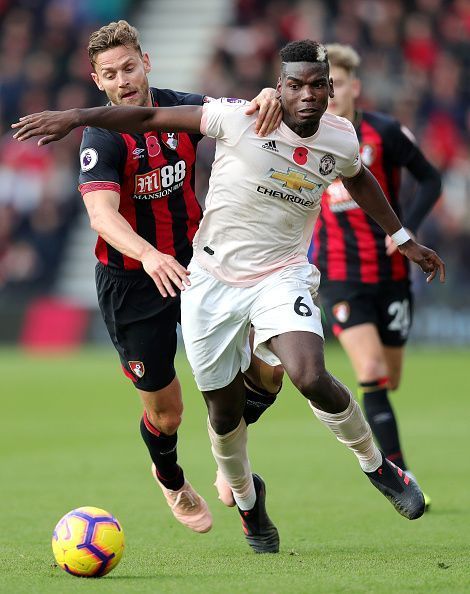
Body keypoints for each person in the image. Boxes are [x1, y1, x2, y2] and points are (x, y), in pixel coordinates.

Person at [12, 40, 445, 554]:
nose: (306, 95)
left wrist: (402, 238)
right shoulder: (199, 124)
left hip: (275, 273)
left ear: (330, 89)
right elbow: (110, 198)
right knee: (204, 413)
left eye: (316, 85)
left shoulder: (334, 136)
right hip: (182, 278)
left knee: (305, 372)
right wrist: (74, 116)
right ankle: (240, 500)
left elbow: (359, 175)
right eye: (293, 85)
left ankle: (380, 468)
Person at [20, 20, 283, 534]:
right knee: (168, 414)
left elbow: (244, 113)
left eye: (129, 67)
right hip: (133, 280)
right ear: (98, 82)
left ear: (146, 62)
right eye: (110, 74)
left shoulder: (179, 107)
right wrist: (149, 255)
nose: (123, 80)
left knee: (269, 366)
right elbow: (101, 215)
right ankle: (171, 478)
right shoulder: (101, 135)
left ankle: (227, 453)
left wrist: (269, 92)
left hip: (200, 263)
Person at [312, 44, 442, 510]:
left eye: (339, 84)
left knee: (389, 379)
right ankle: (401, 480)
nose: (330, 94)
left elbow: (431, 179)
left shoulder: (385, 133)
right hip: (341, 277)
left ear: (355, 87)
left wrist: (407, 229)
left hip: (391, 275)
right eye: (325, 85)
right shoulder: (308, 134)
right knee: (369, 372)